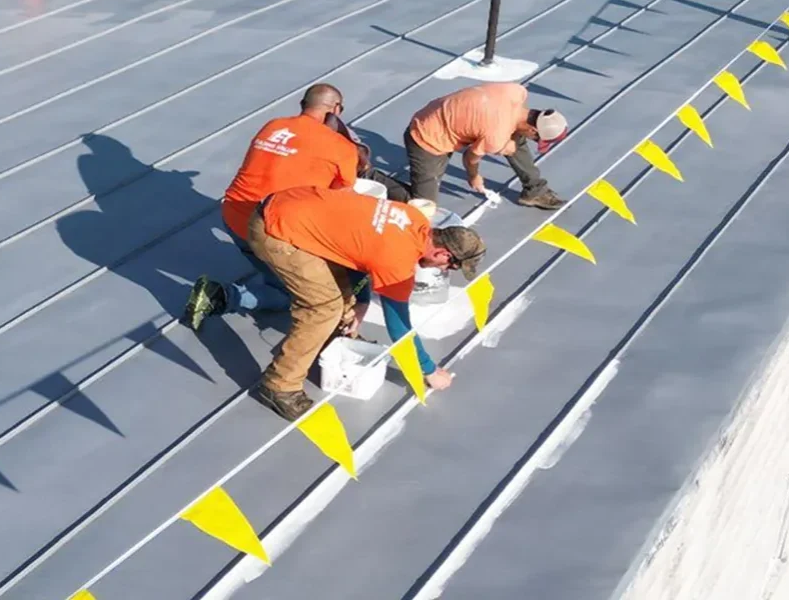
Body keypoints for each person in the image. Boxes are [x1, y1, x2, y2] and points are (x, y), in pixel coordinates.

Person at [245, 186, 486, 420]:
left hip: (291, 204)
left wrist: (361, 301)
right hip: (274, 229)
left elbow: (359, 251)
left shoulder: (413, 218)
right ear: (443, 254)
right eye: (451, 267)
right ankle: (279, 386)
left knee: (337, 284)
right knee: (323, 308)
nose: (446, 271)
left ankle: (334, 337)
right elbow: (399, 329)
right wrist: (430, 370)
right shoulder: (398, 262)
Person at [183, 83, 372, 328]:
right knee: (293, 295)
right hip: (272, 230)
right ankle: (223, 296)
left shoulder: (273, 126)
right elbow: (339, 204)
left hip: (233, 216)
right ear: (336, 109)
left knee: (270, 264)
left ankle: (270, 274)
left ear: (303, 105)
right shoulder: (342, 148)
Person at [404, 82, 569, 210]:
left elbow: (503, 125)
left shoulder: (516, 91)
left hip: (440, 112)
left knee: (516, 137)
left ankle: (535, 190)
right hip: (427, 136)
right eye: (536, 139)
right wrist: (474, 177)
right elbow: (469, 158)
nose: (533, 141)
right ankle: (378, 180)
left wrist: (506, 143)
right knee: (424, 206)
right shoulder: (496, 136)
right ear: (533, 129)